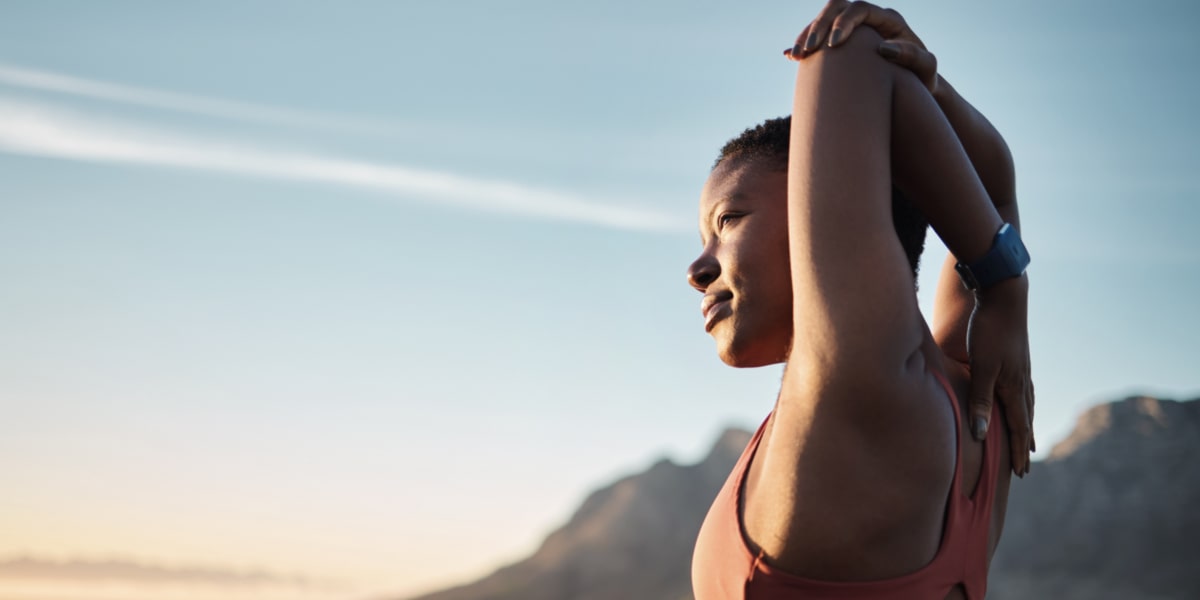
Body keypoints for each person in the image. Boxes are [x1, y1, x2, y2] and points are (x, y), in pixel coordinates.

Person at [688, 2, 1034, 599]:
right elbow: (995, 186)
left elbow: (848, 50)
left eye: (730, 219)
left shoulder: (850, 381)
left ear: (819, 202)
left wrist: (1006, 287)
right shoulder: (977, 399)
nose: (698, 269)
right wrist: (1003, 289)